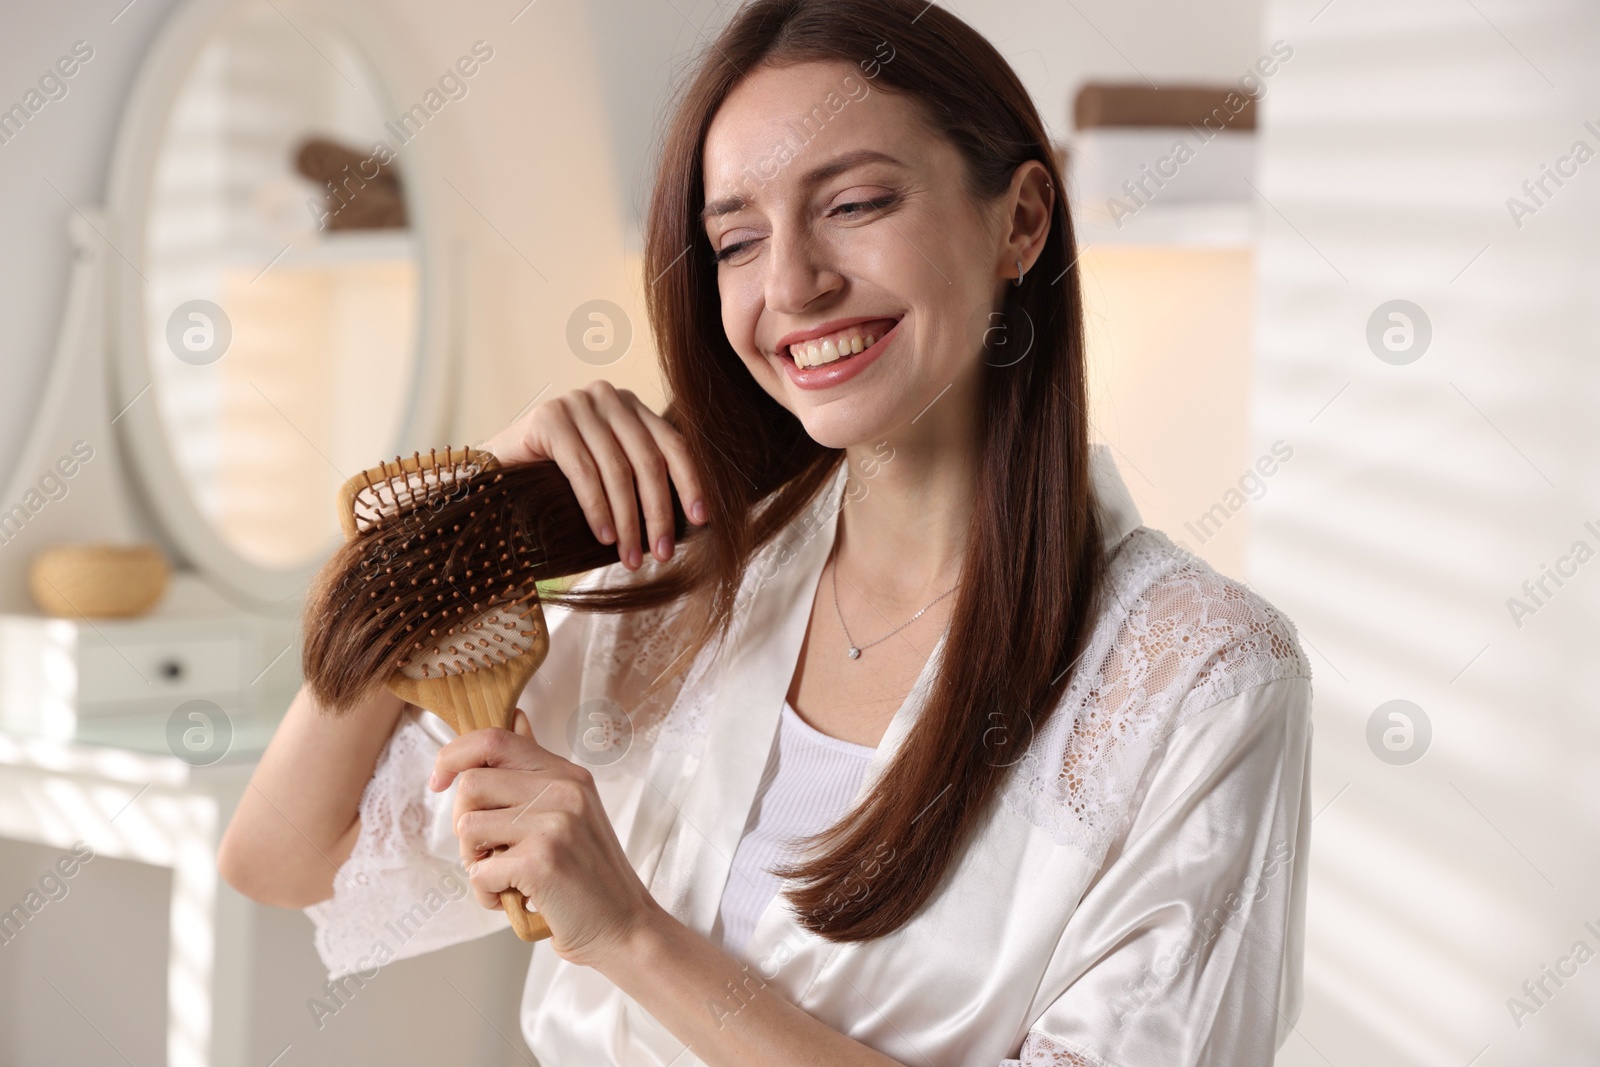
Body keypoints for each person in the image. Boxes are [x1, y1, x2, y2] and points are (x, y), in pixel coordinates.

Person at [218, 0, 1313, 1063]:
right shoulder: (689, 581)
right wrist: (468, 521)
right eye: (736, 239)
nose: (792, 282)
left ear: (1019, 220)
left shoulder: (1198, 678)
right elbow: (283, 856)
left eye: (856, 204)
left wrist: (632, 936)